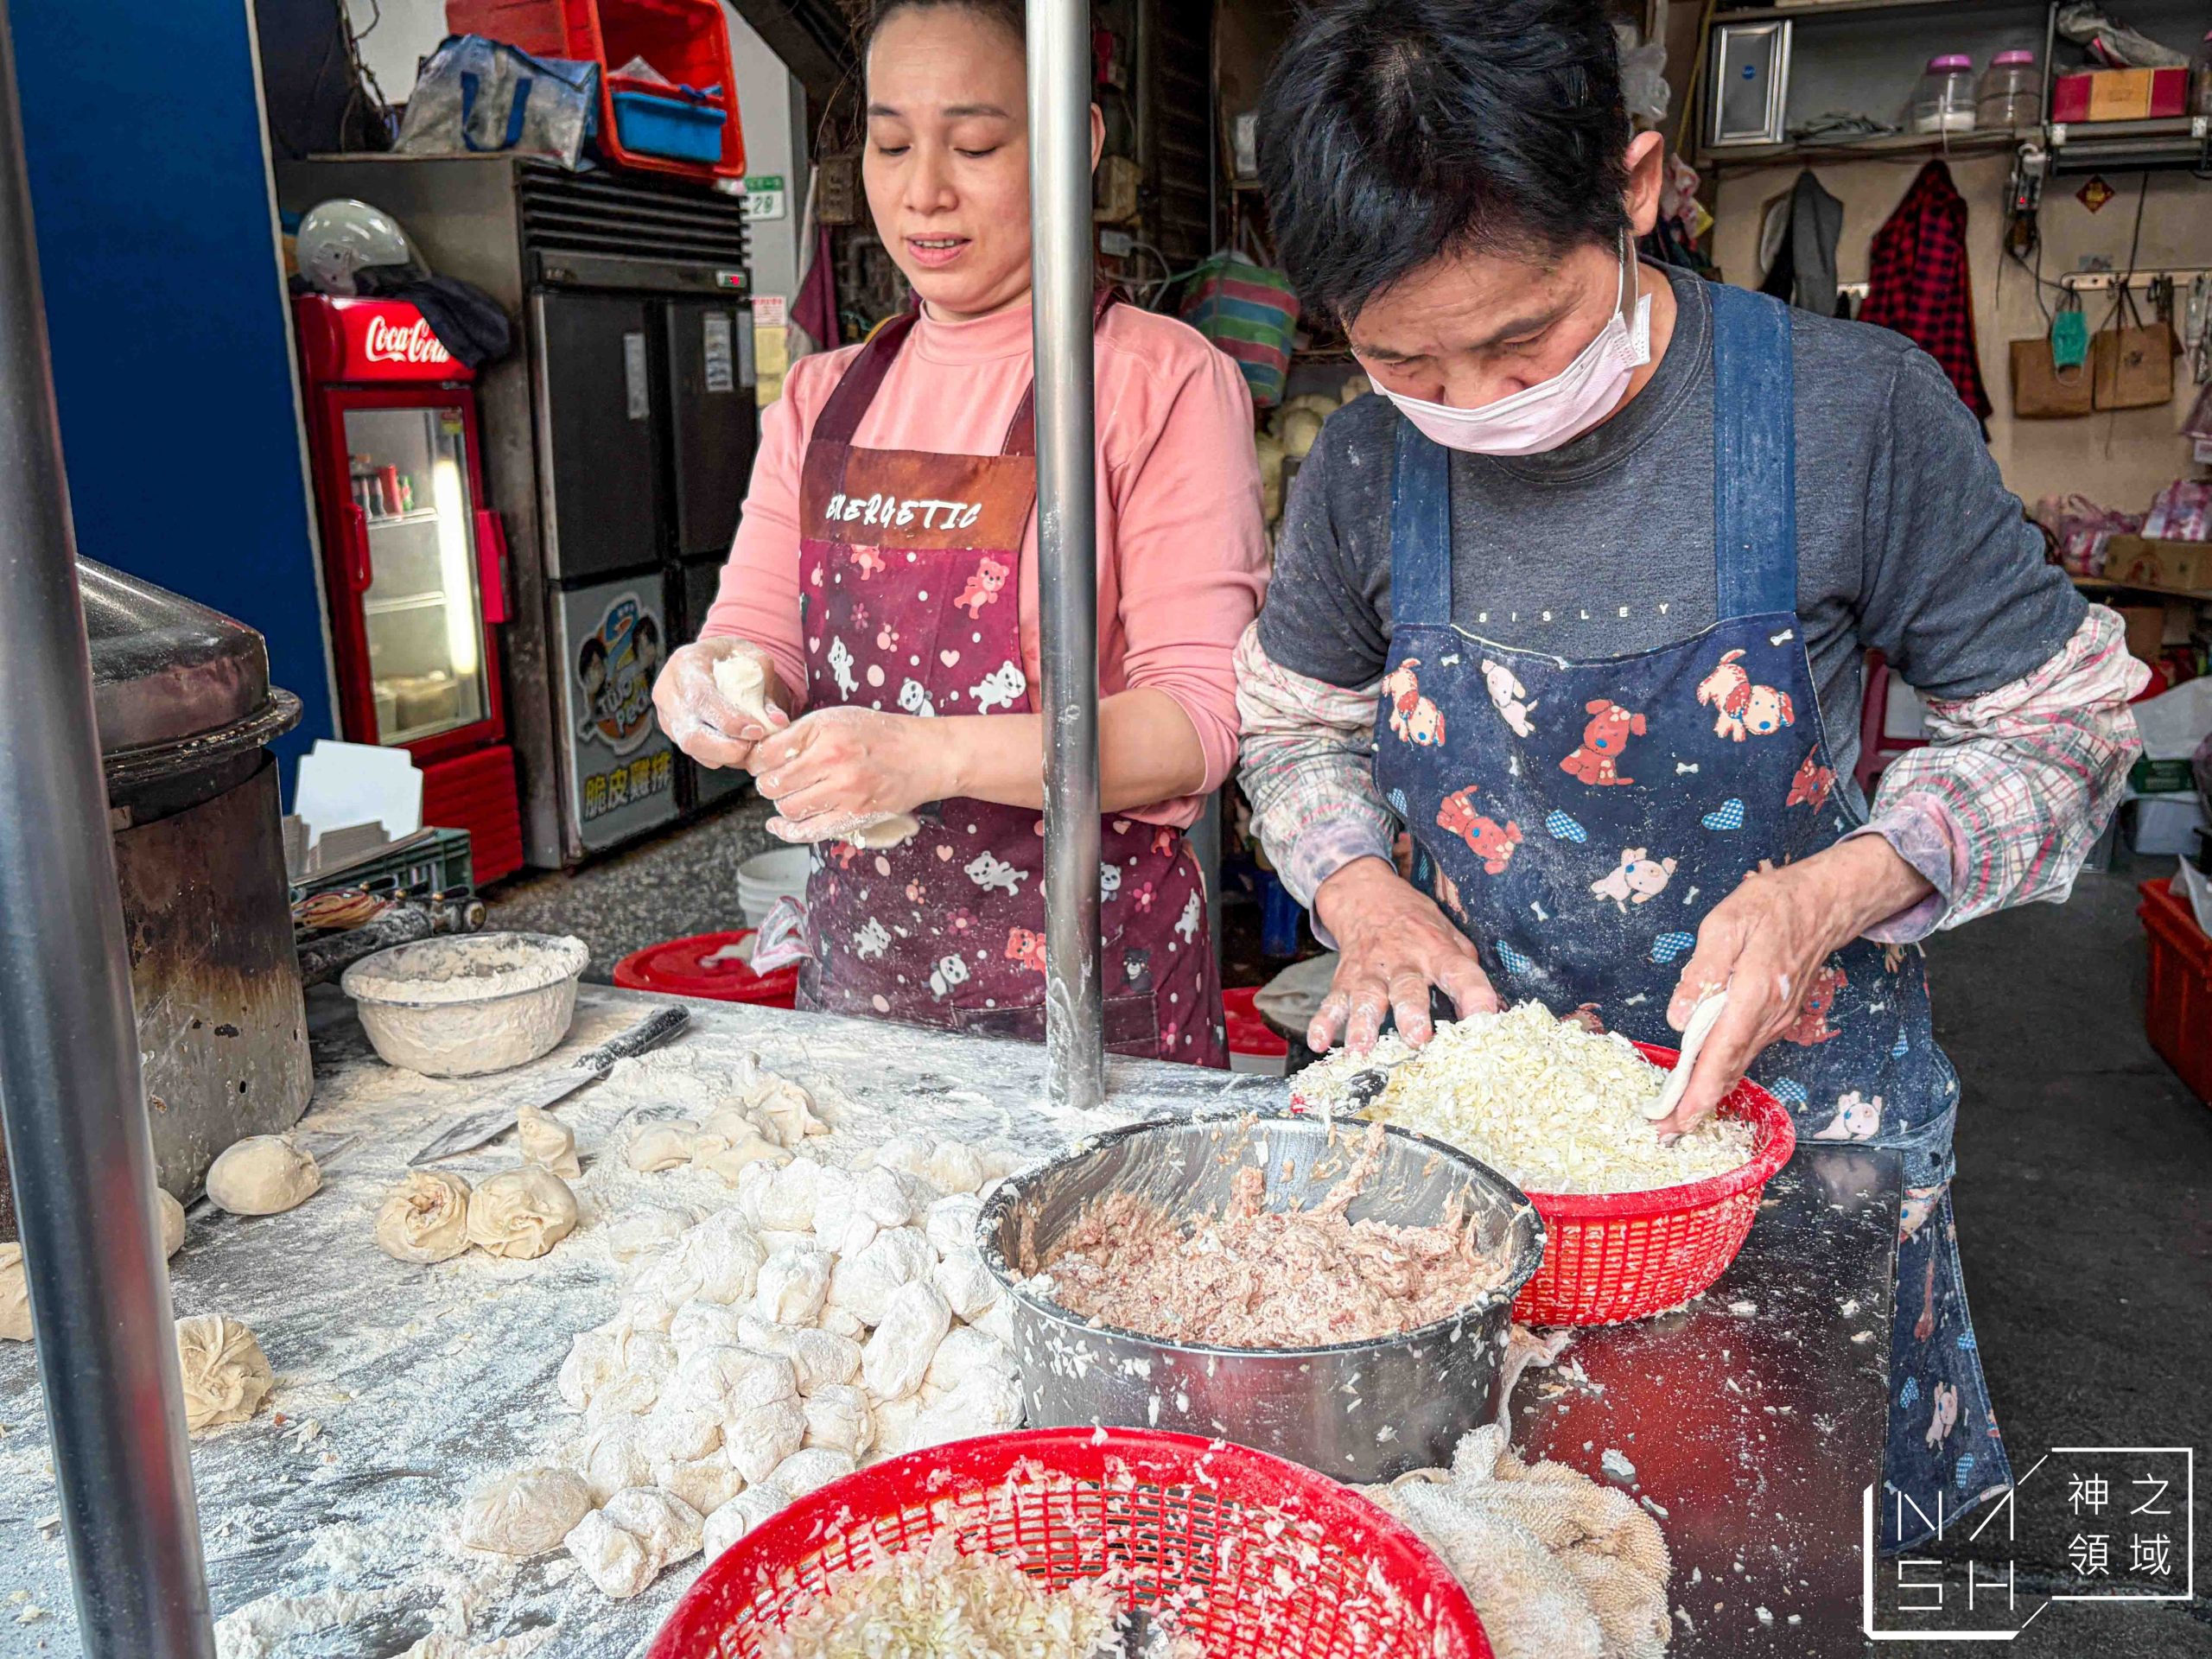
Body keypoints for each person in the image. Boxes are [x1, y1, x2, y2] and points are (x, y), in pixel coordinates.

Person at [1236, 0, 2144, 1548]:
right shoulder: (1365, 465)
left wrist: (1832, 895)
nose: (1472, 407)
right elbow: (1291, 721)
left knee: (1795, 1558)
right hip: (1498, 1151)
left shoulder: (1847, 414)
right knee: (1526, 1562)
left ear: (1638, 187)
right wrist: (1362, 889)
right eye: (1401, 358)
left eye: (1520, 341)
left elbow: (2068, 725)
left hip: (1805, 1140)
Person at [654, 0, 1265, 1065]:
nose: (923, 191)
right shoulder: (820, 399)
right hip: (863, 991)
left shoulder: (1158, 381)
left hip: (1091, 999)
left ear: (1075, 142)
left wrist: (926, 756)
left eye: (974, 145)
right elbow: (758, 638)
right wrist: (710, 684)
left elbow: (1196, 723)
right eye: (892, 146)